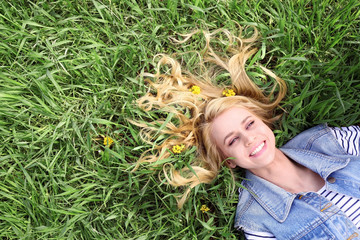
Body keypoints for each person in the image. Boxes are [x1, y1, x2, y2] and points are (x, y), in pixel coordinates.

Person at [133, 25, 360, 239]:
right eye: (232, 140)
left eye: (250, 124)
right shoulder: (255, 221)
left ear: (264, 122)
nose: (249, 138)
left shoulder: (328, 141)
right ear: (228, 161)